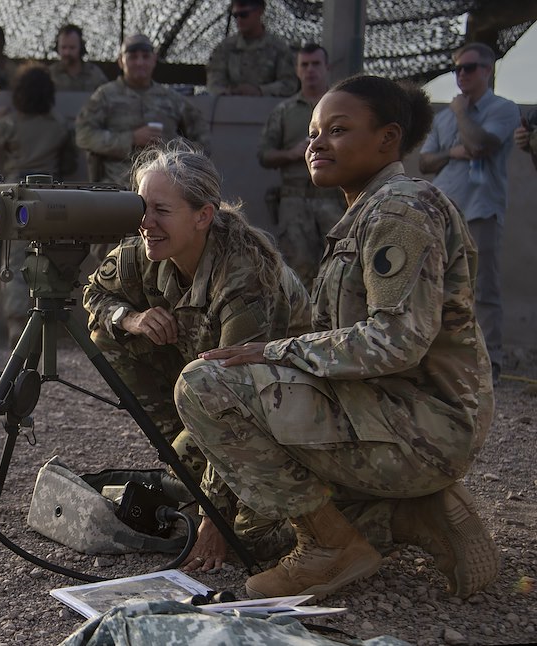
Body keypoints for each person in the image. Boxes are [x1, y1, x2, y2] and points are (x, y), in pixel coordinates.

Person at [173, 75, 499, 601]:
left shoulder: (400, 209)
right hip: (392, 416)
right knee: (258, 531)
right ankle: (413, 512)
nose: (315, 144)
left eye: (338, 130)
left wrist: (271, 353)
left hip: (422, 425)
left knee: (205, 386)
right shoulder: (366, 211)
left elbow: (396, 342)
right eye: (312, 133)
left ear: (388, 138)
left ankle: (333, 547)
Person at [83, 138, 311, 559]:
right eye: (141, 208)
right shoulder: (145, 250)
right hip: (210, 394)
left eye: (161, 211)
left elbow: (238, 399)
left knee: (249, 545)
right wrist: (131, 319)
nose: (146, 223)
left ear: (203, 216)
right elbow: (95, 294)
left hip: (283, 415)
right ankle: (185, 467)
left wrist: (214, 516)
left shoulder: (245, 275)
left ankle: (367, 518)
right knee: (108, 339)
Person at [419, 43, 519, 385]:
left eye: (470, 67)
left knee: (483, 289)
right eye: (457, 69)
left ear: (488, 70)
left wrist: (462, 112)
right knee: (439, 286)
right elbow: (425, 162)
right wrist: (453, 152)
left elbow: (480, 145)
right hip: (444, 210)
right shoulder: (444, 117)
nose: (462, 74)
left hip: (481, 210)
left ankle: (489, 367)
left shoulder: (503, 109)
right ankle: (443, 364)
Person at [75, 33, 210, 261]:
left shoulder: (170, 98)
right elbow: (84, 135)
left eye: (145, 56)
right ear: (121, 61)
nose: (139, 62)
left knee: (161, 266)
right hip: (117, 198)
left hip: (163, 203)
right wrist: (129, 138)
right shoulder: (106, 96)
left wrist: (180, 162)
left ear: (154, 60)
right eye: (132, 56)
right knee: (113, 264)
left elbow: (201, 138)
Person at [0, 64, 78, 345]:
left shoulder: (10, 124)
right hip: (51, 198)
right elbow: (70, 163)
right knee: (50, 261)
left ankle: (16, 325)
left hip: (16, 198)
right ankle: (48, 325)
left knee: (16, 262)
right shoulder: (59, 125)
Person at [258, 43, 346, 288]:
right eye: (304, 65)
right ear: (297, 70)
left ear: (326, 67)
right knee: (299, 272)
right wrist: (291, 153)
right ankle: (305, 325)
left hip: (333, 198)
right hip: (294, 201)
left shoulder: (342, 108)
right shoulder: (284, 111)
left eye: (316, 64)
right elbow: (264, 155)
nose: (310, 70)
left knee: (342, 265)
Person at [206, 0, 298, 97]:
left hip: (268, 107)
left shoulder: (279, 48)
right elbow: (214, 81)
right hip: (231, 106)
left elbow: (289, 84)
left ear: (259, 12)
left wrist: (260, 91)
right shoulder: (225, 48)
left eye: (244, 15)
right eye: (235, 16)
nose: (239, 20)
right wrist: (228, 93)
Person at [48, 24, 108, 92]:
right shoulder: (50, 75)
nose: (67, 52)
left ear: (81, 47)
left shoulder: (95, 75)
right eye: (63, 47)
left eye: (72, 48)